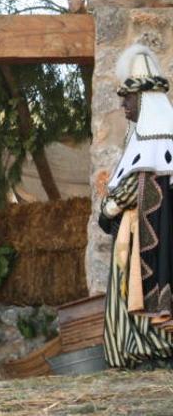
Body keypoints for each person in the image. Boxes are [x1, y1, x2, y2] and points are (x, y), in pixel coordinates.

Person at [99, 44, 173, 367]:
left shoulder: (155, 144)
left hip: (149, 245)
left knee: (142, 295)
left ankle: (147, 350)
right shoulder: (155, 144)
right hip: (141, 240)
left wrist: (109, 206)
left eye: (128, 100)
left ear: (143, 99)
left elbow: (129, 190)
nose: (124, 107)